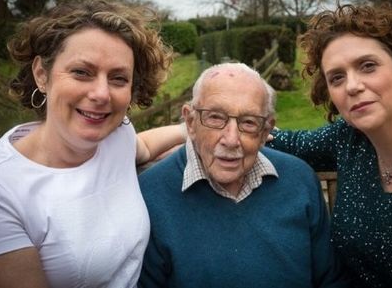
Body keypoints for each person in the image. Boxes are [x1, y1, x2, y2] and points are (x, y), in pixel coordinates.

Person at [0, 0, 185, 287]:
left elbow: (143, 146)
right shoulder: (4, 190)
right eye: (81, 72)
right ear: (41, 74)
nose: (101, 94)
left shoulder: (117, 135)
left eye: (118, 78)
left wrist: (192, 129)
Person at [268, 0, 392, 288]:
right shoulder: (350, 140)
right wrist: (197, 128)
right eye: (337, 77)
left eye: (367, 66)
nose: (352, 85)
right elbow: (278, 141)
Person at [137, 63, 349, 288]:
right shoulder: (150, 194)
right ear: (190, 122)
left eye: (248, 122)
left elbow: (331, 280)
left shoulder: (300, 181)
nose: (231, 139)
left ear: (265, 132)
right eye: (215, 118)